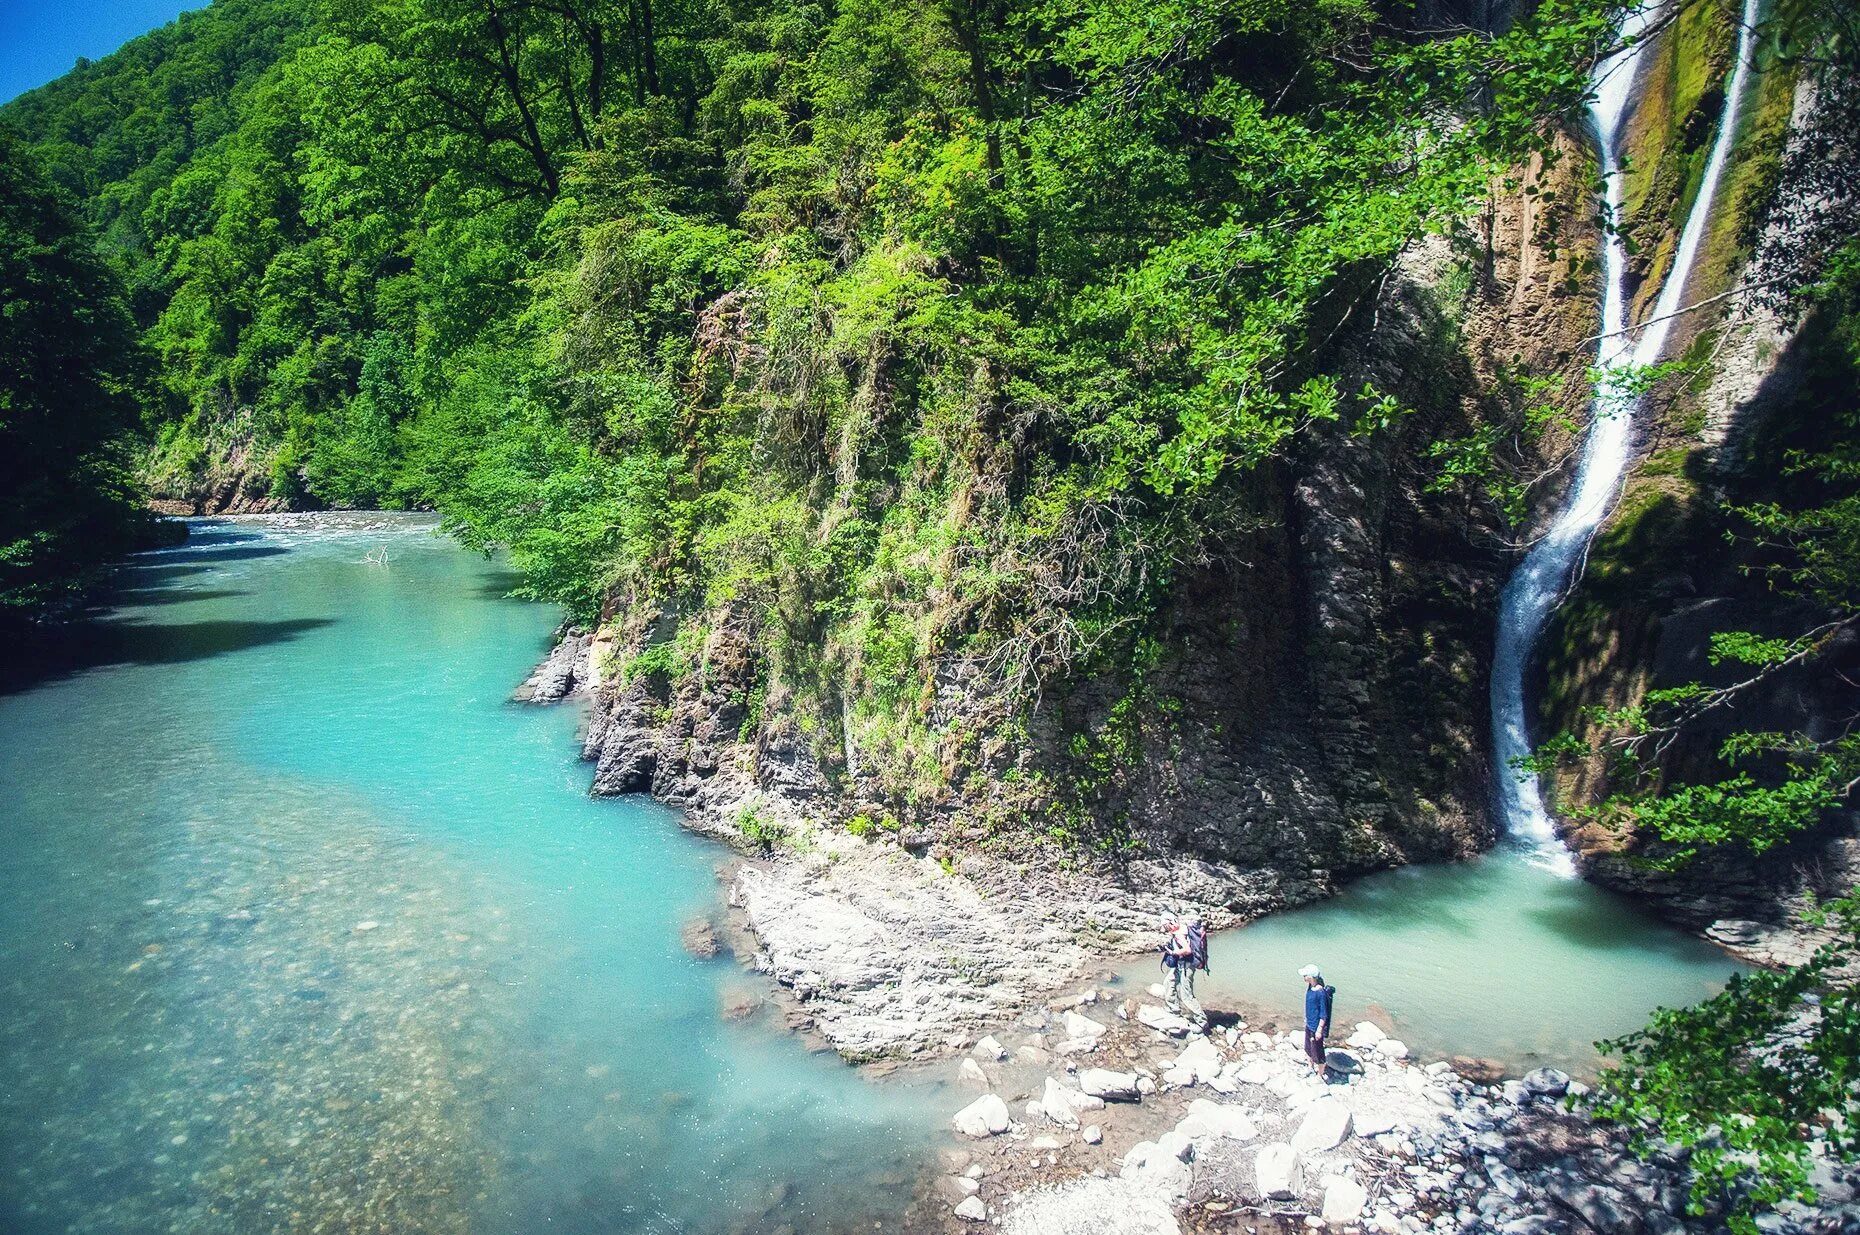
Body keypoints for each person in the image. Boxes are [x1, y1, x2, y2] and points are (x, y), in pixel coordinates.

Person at [1160, 911, 1210, 1030]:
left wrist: (1172, 952)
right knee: (1169, 982)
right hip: (1180, 964)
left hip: (1187, 966)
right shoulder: (1183, 928)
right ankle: (1173, 1010)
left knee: (1186, 995)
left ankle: (1202, 1022)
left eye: (1166, 926)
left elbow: (1187, 950)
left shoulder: (1179, 933)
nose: (1166, 929)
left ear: (1171, 923)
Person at [1300, 964, 1334, 1079]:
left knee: (1318, 1052)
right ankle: (1310, 1067)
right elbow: (1310, 1007)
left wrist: (1319, 1030)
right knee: (1308, 1048)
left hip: (1316, 1027)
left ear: (1311, 977)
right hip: (1309, 1025)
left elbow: (1323, 1014)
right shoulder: (1310, 987)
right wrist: (1306, 1020)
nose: (1304, 976)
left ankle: (1320, 1075)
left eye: (1305, 975)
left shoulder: (1320, 993)